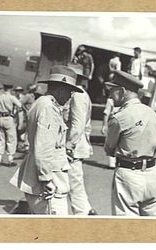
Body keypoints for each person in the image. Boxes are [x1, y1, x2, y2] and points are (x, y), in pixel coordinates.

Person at [10, 65, 83, 215]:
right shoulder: (49, 108)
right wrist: (46, 179)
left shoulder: (41, 103)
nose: (70, 97)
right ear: (60, 89)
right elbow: (43, 148)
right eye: (70, 91)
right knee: (55, 232)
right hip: (49, 182)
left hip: (43, 176)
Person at [104, 70, 156, 216]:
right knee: (155, 229)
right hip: (153, 174)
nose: (110, 95)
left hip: (129, 176)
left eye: (112, 90)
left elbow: (109, 149)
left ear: (122, 91)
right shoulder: (152, 113)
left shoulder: (119, 117)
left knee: (128, 230)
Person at [66, 63, 96, 215]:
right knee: (74, 182)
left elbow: (77, 124)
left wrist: (69, 145)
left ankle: (84, 214)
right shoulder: (83, 93)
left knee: (73, 183)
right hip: (78, 144)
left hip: (74, 147)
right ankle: (86, 211)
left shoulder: (77, 95)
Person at [0, 83, 22, 167]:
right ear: (10, 89)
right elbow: (20, 106)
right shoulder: (12, 97)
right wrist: (14, 112)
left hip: (0, 118)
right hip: (9, 118)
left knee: (0, 139)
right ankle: (10, 160)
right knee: (11, 139)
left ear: (3, 89)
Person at [101, 97, 120, 169]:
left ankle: (117, 161)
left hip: (122, 123)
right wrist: (104, 125)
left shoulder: (125, 101)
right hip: (113, 122)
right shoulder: (110, 101)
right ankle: (112, 162)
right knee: (111, 141)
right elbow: (106, 113)